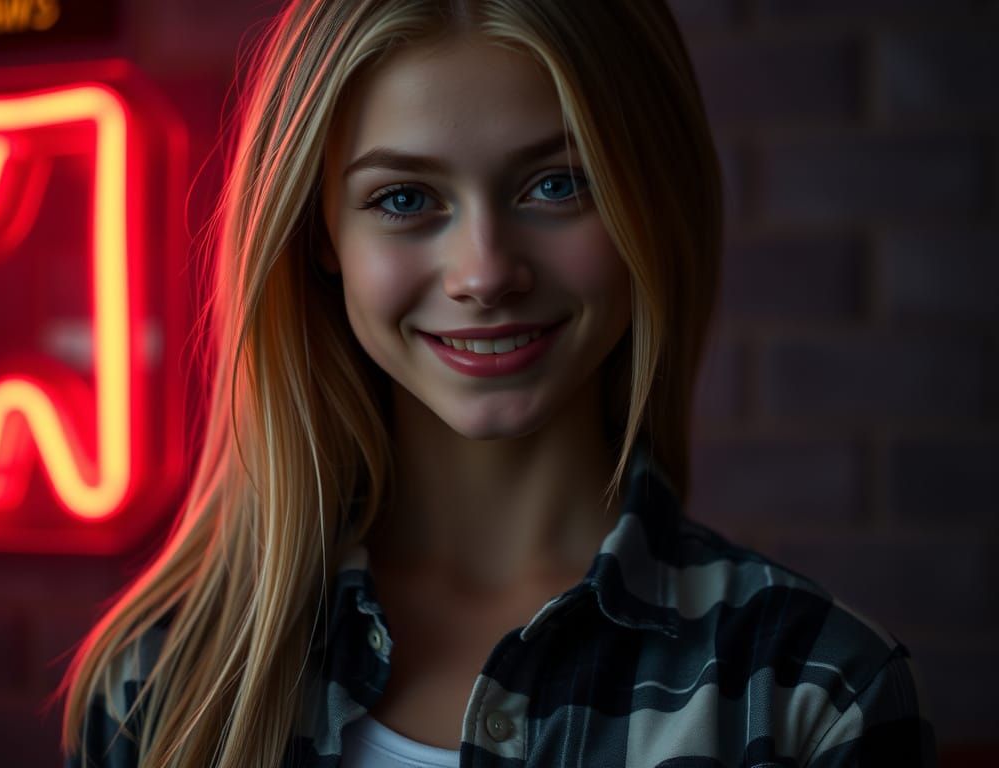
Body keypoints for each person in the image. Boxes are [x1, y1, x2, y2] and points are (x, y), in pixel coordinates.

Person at [59, 1, 937, 766]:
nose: (483, 273)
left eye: (557, 185)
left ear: (651, 205)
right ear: (320, 235)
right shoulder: (160, 681)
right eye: (404, 199)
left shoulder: (813, 691)